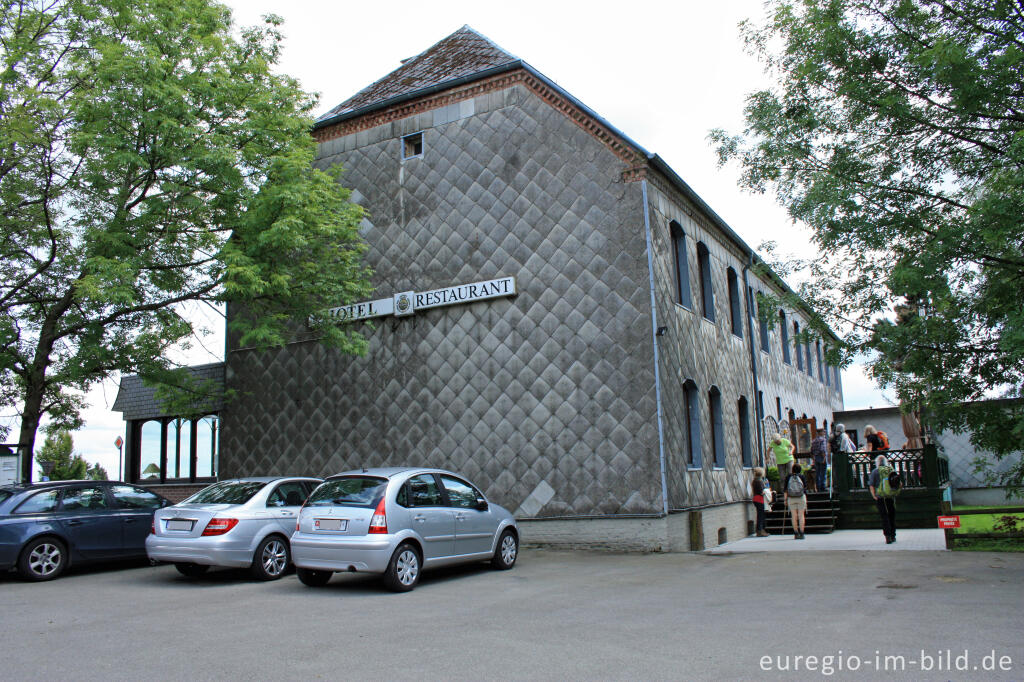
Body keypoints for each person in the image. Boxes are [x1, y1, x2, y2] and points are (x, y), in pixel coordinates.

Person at [868, 454, 897, 544]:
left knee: (884, 516)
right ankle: (893, 535)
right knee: (891, 516)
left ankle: (887, 536)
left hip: (880, 497)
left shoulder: (875, 472)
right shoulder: (891, 470)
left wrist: (874, 495)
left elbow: (871, 485)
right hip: (890, 496)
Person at [783, 463, 807, 539]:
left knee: (793, 516)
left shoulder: (788, 477)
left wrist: (785, 500)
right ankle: (802, 533)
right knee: (801, 515)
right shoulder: (802, 476)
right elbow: (805, 489)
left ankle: (796, 533)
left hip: (791, 498)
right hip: (801, 497)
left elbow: (785, 490)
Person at [750, 467, 770, 537]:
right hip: (760, 499)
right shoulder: (760, 481)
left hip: (755, 498)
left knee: (760, 515)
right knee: (761, 516)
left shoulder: (754, 480)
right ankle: (760, 531)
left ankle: (761, 530)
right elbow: (762, 492)